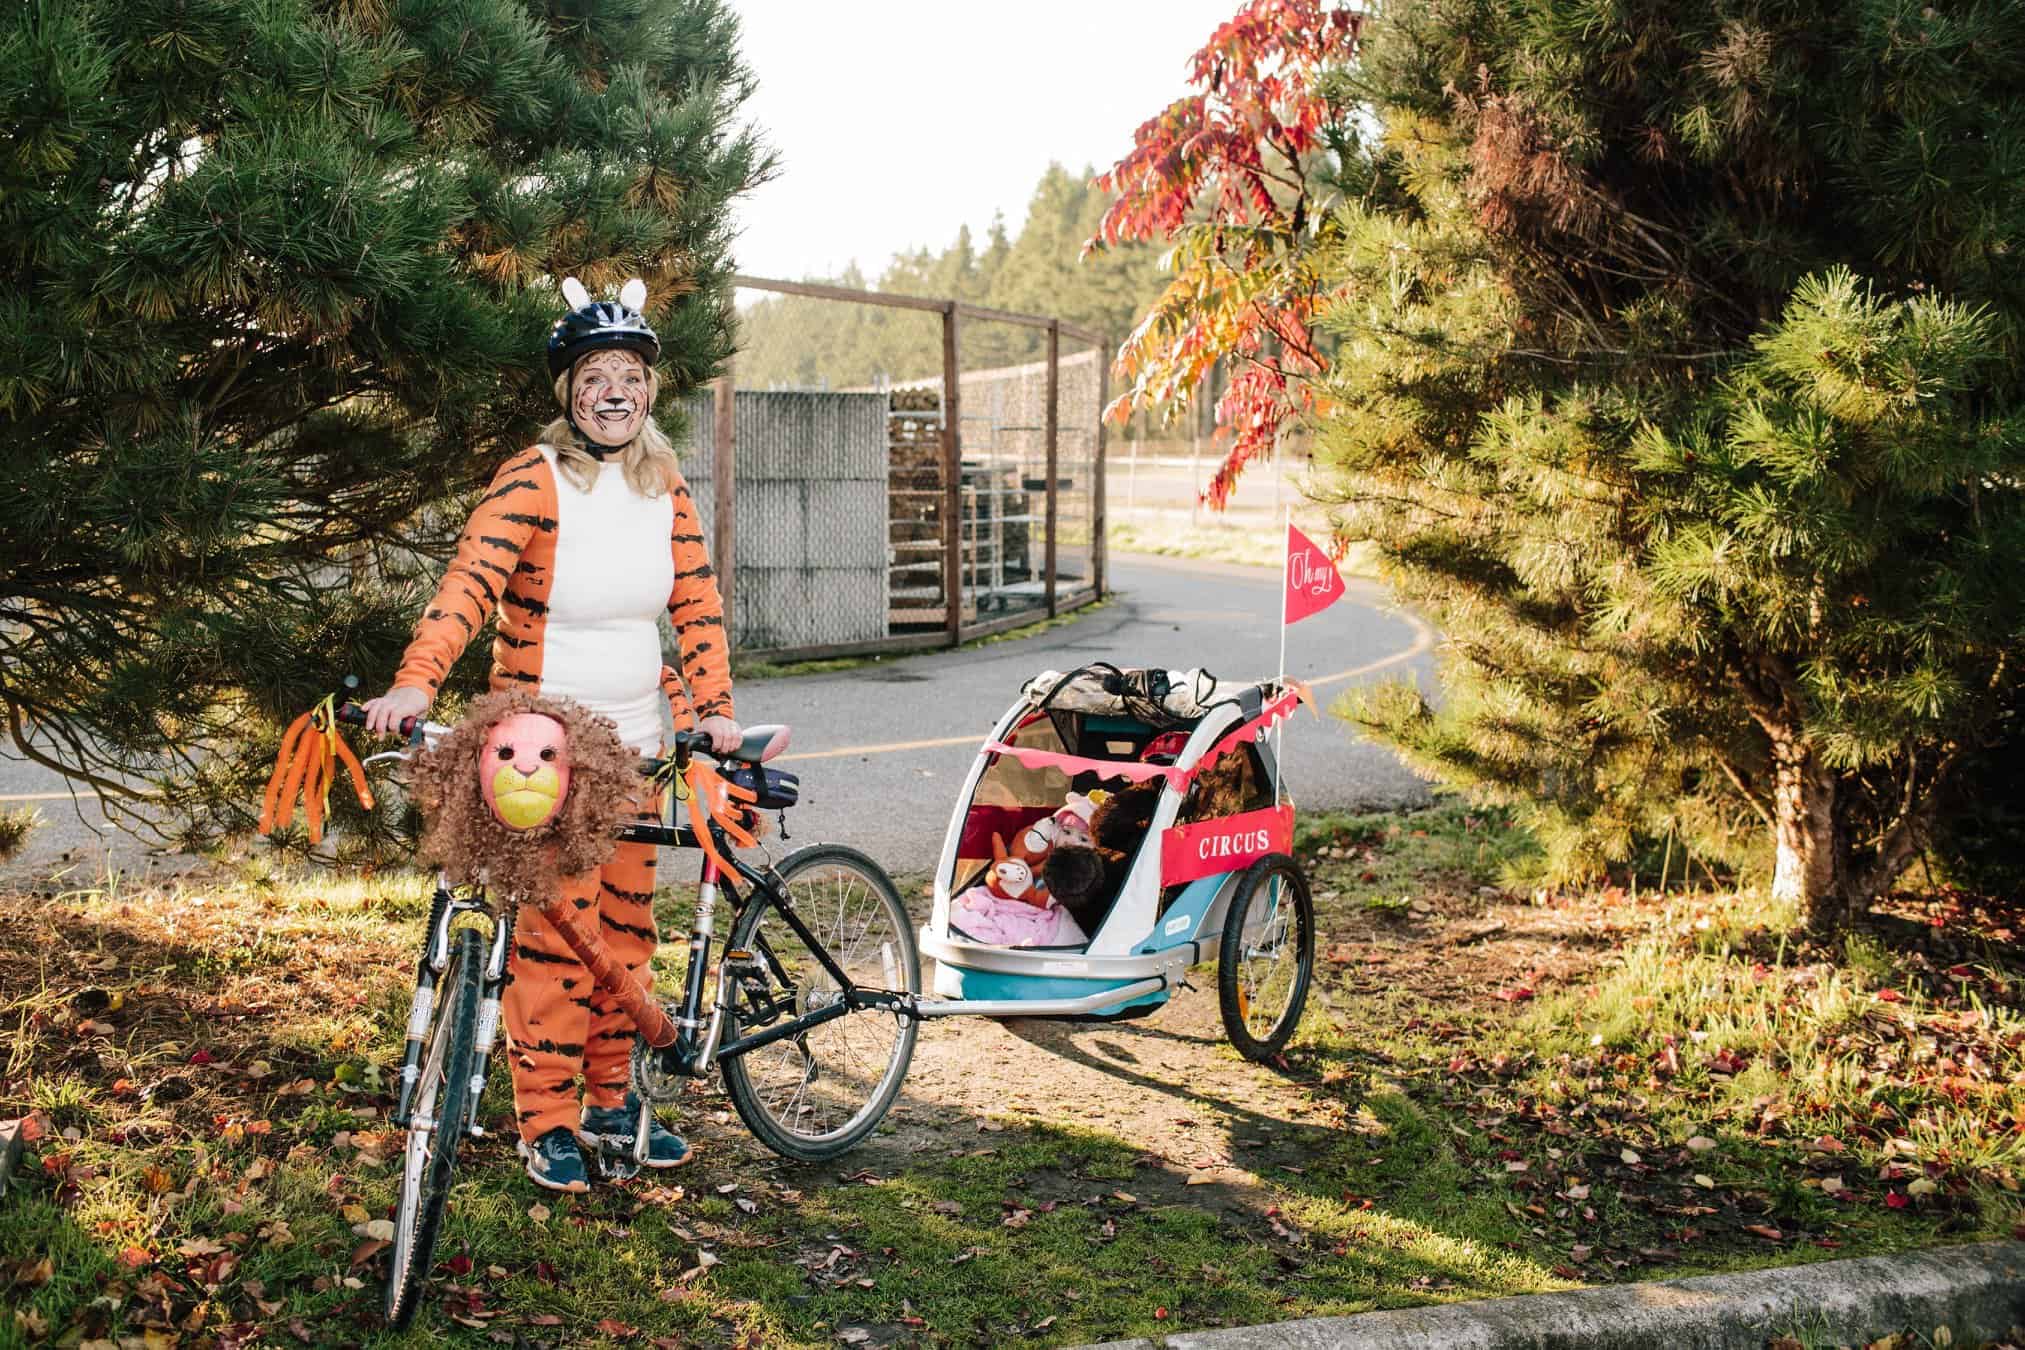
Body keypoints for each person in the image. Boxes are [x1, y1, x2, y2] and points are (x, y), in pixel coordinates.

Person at [362, 276, 737, 1192]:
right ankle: (549, 1119)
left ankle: (615, 1102)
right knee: (551, 939)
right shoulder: (535, 477)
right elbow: (468, 586)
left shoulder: (666, 484)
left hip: (641, 747)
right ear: (569, 389)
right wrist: (416, 683)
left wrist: (717, 707)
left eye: (630, 374)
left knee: (627, 933)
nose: (615, 389)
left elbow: (694, 603)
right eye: (594, 373)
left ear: (650, 388)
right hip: (543, 747)